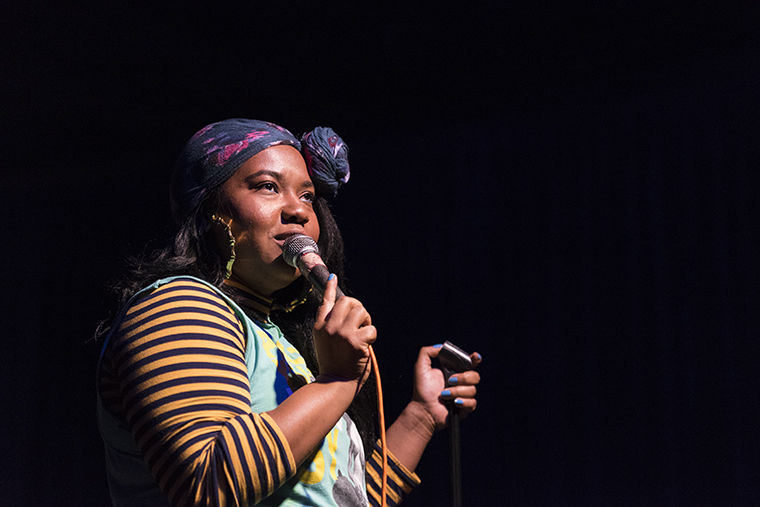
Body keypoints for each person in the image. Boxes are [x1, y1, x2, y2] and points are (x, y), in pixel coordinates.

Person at [95, 118, 482, 506]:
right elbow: (208, 483)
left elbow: (340, 497)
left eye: (308, 196)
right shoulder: (176, 305)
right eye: (267, 187)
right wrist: (337, 381)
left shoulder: (278, 340)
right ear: (212, 210)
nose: (297, 210)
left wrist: (421, 417)